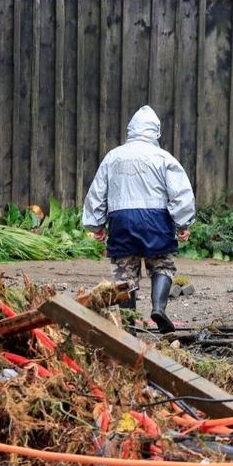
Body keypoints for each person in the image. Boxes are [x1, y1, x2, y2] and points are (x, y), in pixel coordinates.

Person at [83, 105, 196, 333]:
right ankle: (158, 308)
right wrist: (183, 223)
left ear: (130, 130)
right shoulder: (163, 157)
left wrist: (96, 224)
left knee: (125, 272)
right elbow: (180, 192)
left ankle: (128, 326)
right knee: (161, 264)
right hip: (156, 219)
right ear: (156, 132)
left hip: (121, 219)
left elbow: (97, 192)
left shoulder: (113, 157)